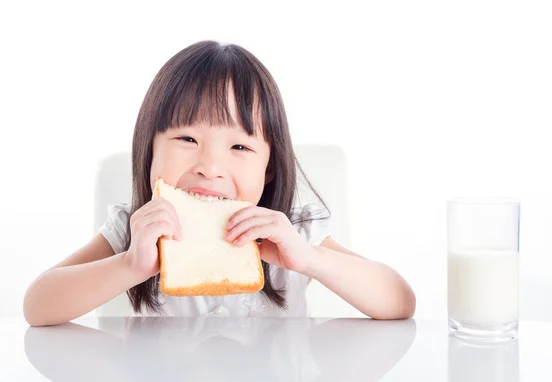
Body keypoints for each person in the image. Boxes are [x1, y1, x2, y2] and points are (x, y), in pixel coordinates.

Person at [23, 40, 415, 326]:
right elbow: (38, 307)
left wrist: (308, 258)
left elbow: (399, 301)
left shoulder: (291, 233)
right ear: (149, 153)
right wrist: (129, 265)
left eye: (240, 146)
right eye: (188, 139)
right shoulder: (132, 230)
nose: (211, 167)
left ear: (270, 168)